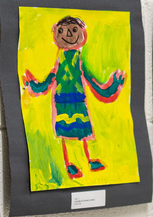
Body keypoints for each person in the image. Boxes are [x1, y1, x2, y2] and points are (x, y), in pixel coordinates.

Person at [22, 16, 125, 181]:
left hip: (78, 101)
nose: (68, 34)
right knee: (66, 133)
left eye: (73, 30)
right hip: (62, 102)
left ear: (82, 33)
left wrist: (112, 88)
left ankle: (89, 160)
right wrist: (34, 86)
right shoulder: (60, 63)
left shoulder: (78, 61)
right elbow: (49, 81)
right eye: (62, 31)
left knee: (82, 131)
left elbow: (92, 83)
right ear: (56, 33)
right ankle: (69, 164)